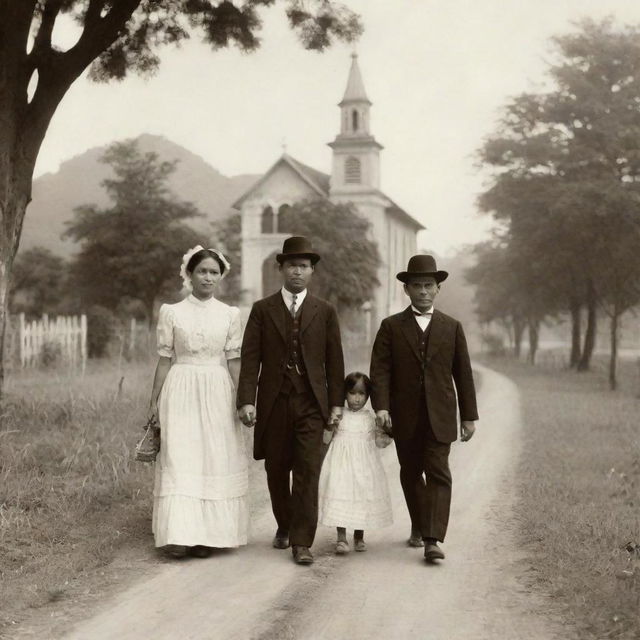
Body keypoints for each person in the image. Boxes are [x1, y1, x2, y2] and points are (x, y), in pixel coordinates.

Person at [237, 236, 345, 565]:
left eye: (304, 266)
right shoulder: (262, 309)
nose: (297, 272)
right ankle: (283, 524)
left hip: (312, 403)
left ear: (312, 271)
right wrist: (246, 400)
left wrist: (336, 404)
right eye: (291, 266)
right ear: (280, 268)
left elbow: (335, 361)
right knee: (276, 469)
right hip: (274, 401)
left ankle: (302, 542)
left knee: (308, 470)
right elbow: (250, 358)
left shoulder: (325, 311)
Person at [370, 254, 478, 563]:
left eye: (429, 285)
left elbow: (464, 373)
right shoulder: (390, 326)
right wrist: (382, 408)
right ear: (406, 289)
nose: (423, 291)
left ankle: (433, 539)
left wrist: (469, 416)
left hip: (440, 414)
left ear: (438, 288)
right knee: (410, 473)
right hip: (404, 416)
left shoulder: (452, 327)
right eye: (417, 286)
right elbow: (380, 370)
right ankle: (418, 524)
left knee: (439, 473)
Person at [148, 246, 248, 558]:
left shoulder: (230, 314)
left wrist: (244, 399)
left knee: (214, 456)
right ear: (189, 274)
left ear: (221, 277)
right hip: (180, 389)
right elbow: (164, 360)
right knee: (182, 455)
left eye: (214, 272)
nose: (207, 277)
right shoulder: (172, 312)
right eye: (202, 271)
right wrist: (153, 403)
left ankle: (209, 536)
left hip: (217, 391)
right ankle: (180, 534)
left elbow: (233, 361)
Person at [318, 372, 393, 554]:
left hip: (364, 466)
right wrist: (329, 425)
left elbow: (380, 443)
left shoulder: (370, 417)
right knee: (341, 492)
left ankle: (359, 536)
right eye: (353, 393)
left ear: (368, 396)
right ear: (345, 393)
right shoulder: (338, 415)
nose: (357, 399)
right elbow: (326, 439)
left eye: (362, 394)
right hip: (341, 464)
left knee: (362, 495)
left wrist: (388, 430)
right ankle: (341, 537)